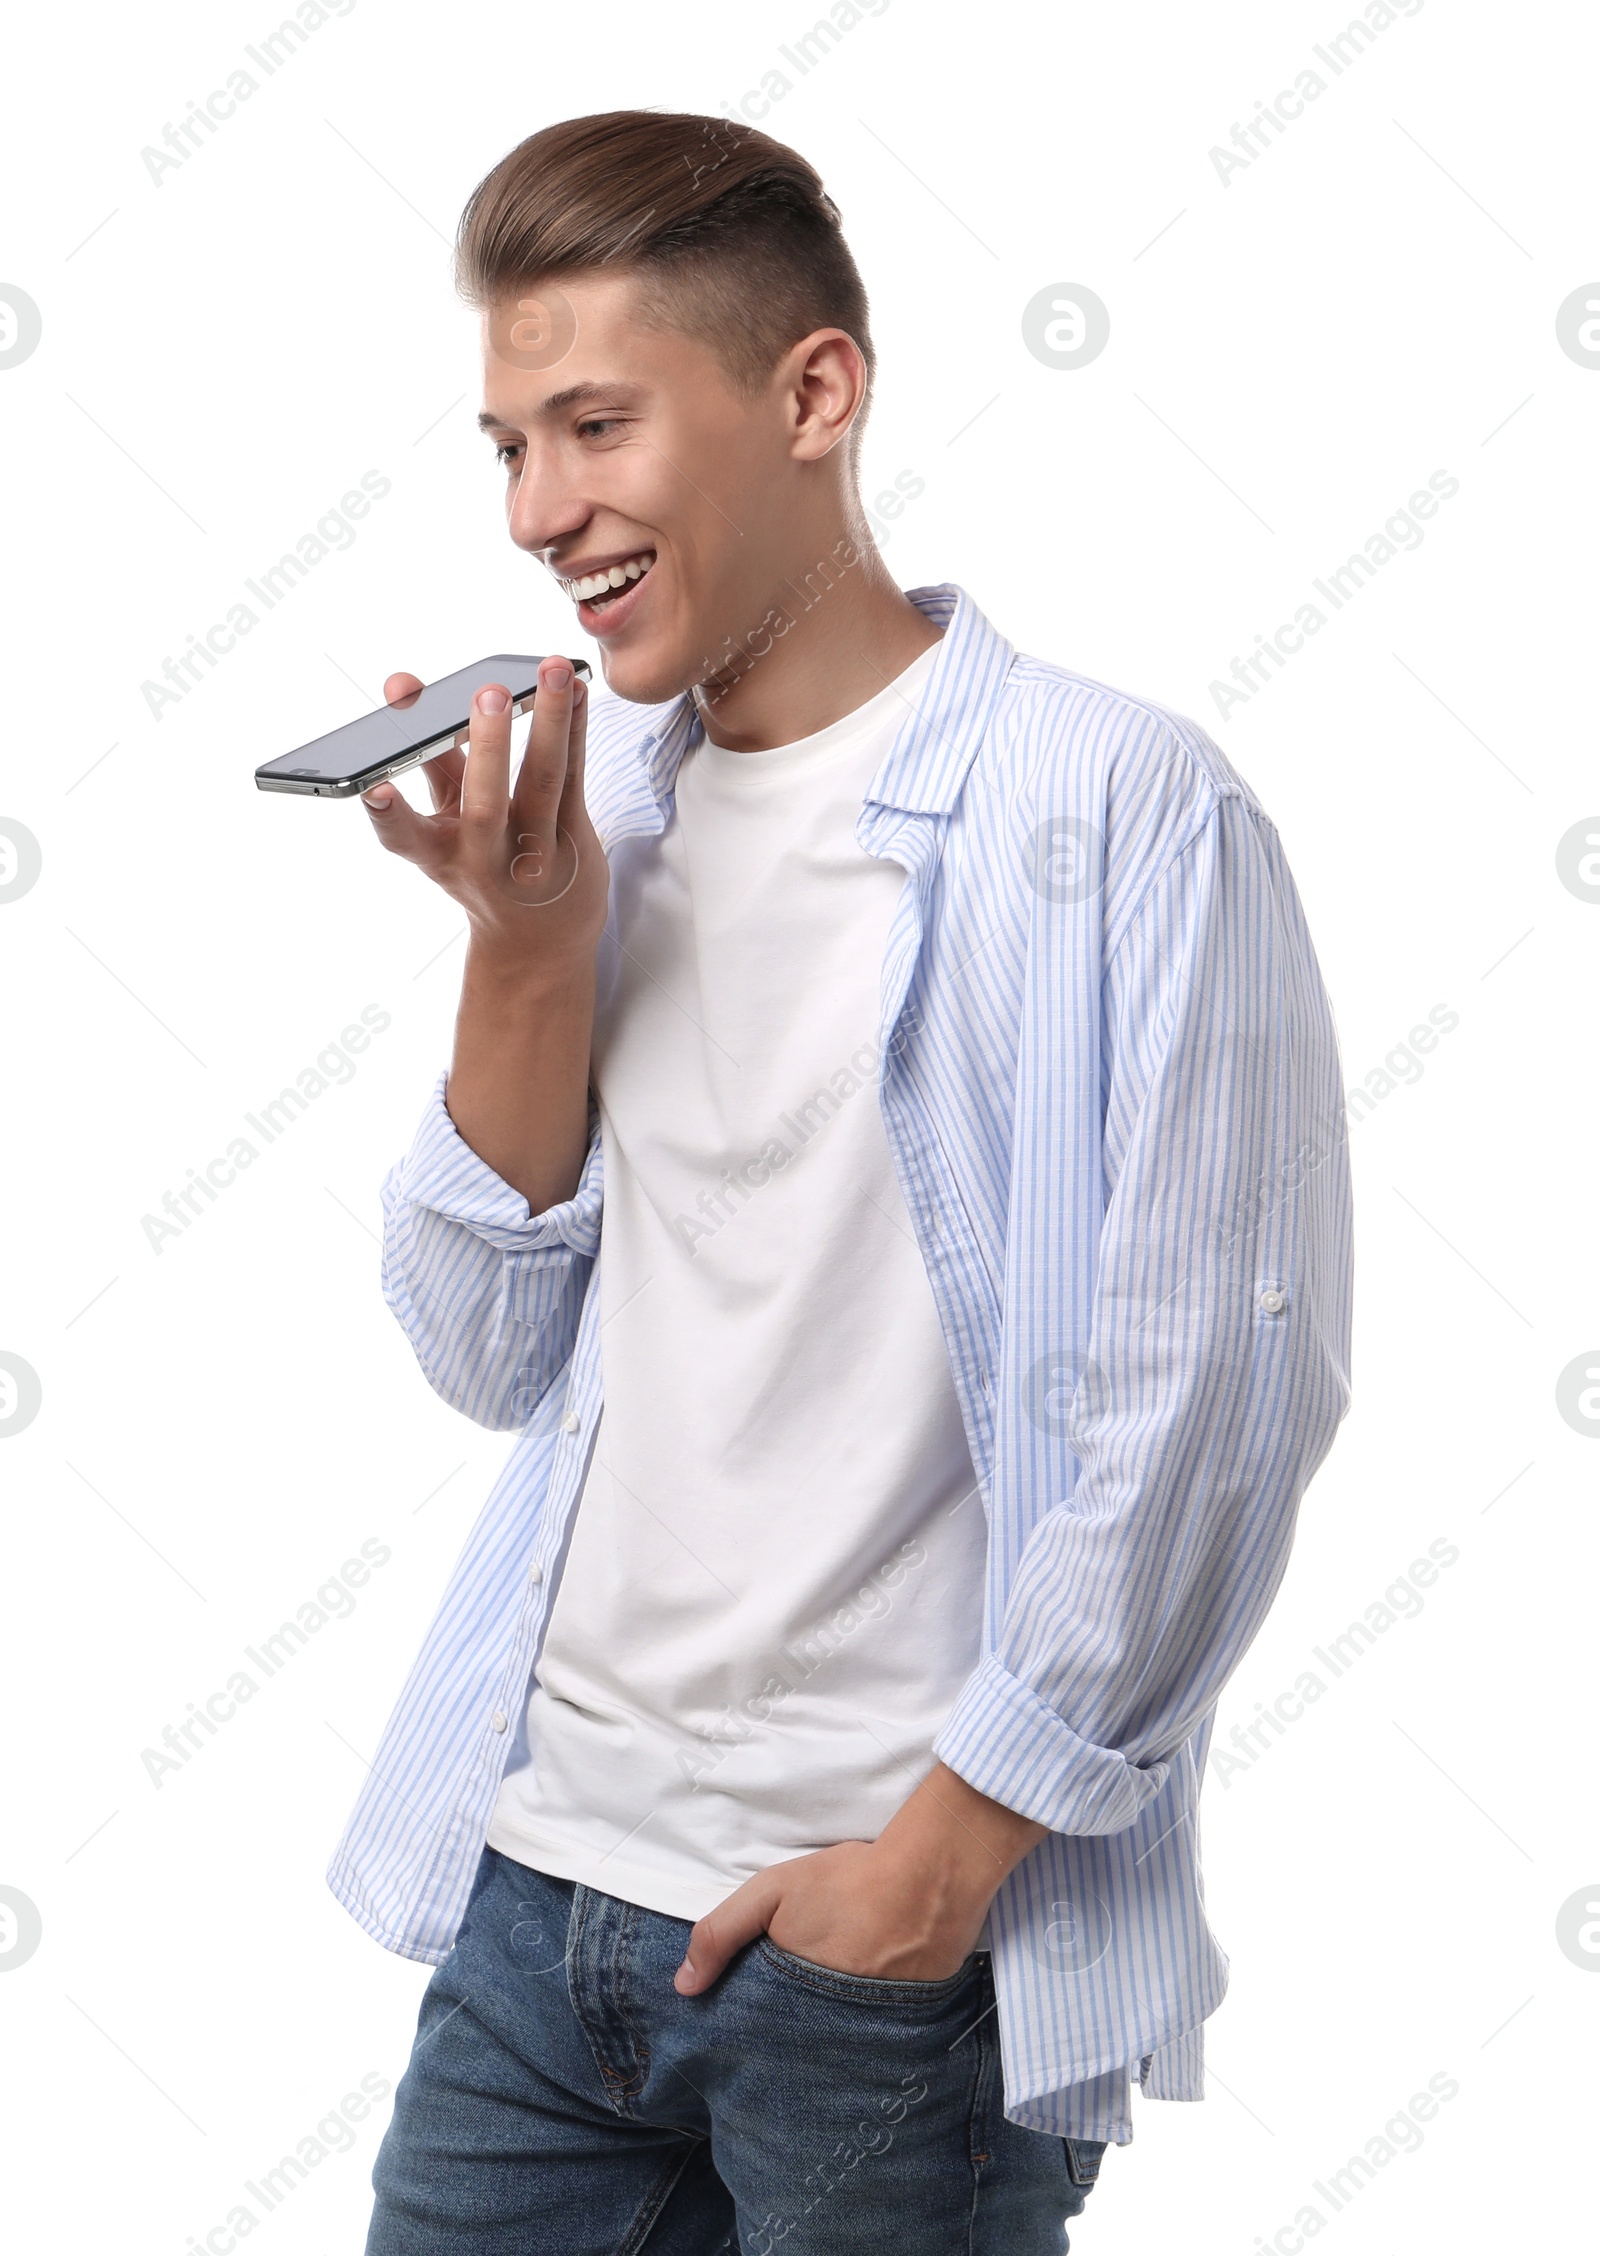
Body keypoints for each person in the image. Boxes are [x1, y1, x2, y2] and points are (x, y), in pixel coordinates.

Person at [330, 108, 1354, 2255]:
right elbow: (486, 1352)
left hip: (874, 1959)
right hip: (535, 1906)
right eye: (507, 447)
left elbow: (1215, 1391)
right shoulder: (615, 816)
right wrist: (523, 952)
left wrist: (941, 1861)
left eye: (591, 426)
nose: (540, 512)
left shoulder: (1120, 808)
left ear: (812, 392)